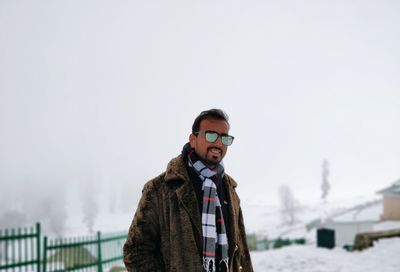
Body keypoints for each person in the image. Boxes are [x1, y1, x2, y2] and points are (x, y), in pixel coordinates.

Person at [123, 109, 253, 272]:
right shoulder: (160, 188)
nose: (219, 143)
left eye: (224, 138)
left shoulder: (230, 190)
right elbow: (136, 252)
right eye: (211, 135)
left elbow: (241, 253)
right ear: (193, 139)